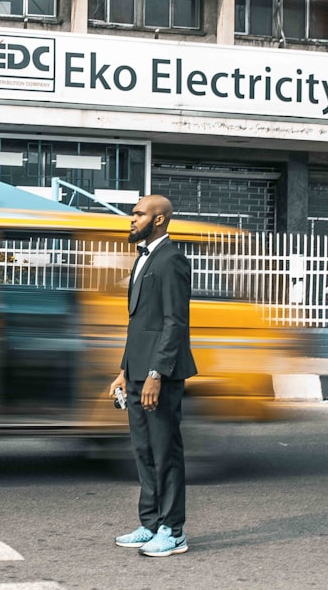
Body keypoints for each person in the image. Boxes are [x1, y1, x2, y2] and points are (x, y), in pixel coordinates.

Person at [109, 194, 197, 557]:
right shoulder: (144, 258)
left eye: (138, 214)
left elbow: (174, 323)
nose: (132, 219)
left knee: (165, 453)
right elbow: (140, 324)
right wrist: (123, 370)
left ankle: (173, 531)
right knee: (144, 452)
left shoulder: (171, 260)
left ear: (158, 220)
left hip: (159, 375)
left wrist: (156, 373)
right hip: (137, 372)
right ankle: (150, 523)